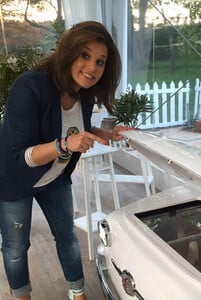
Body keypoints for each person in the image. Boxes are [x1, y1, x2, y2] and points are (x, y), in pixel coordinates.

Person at [0, 21, 130, 300]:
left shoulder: (83, 94)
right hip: (14, 179)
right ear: (68, 52)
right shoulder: (30, 86)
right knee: (15, 246)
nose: (92, 67)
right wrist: (64, 145)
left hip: (55, 177)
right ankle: (21, 297)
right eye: (85, 55)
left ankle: (77, 292)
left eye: (100, 61)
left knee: (68, 236)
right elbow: (21, 156)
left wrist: (105, 133)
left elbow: (71, 129)